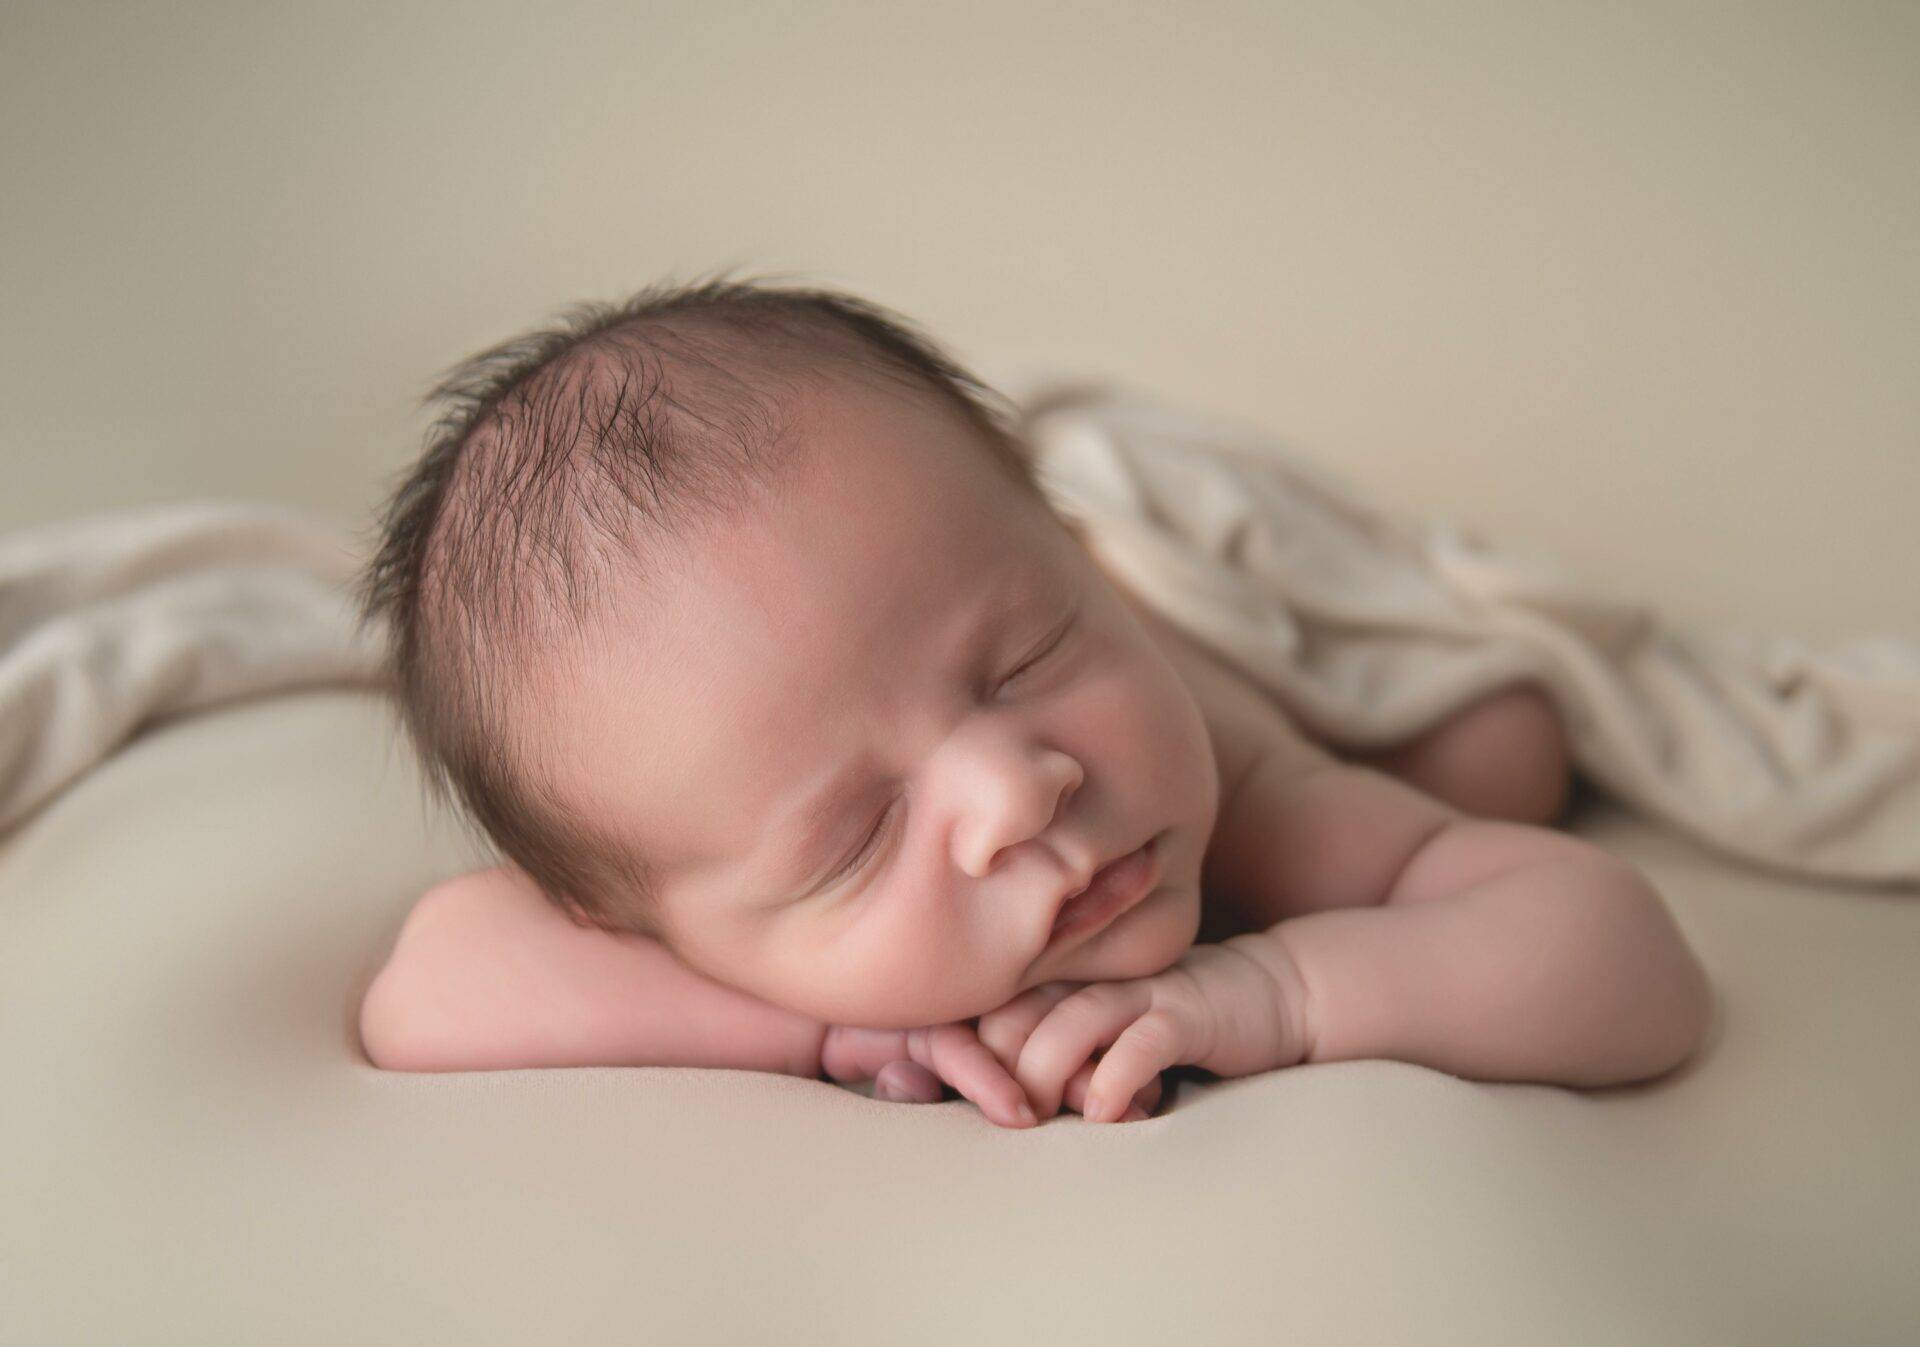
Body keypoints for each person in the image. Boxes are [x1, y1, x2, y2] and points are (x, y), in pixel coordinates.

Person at [353, 274, 1710, 1127]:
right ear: (645, 925)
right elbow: (428, 988)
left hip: (1206, 613)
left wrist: (1278, 991)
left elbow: (1629, 963)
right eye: (857, 837)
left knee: (1499, 747)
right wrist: (829, 1026)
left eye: (1025, 662)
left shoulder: (1245, 801)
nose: (1017, 788)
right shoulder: (672, 861)